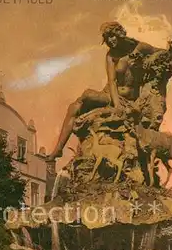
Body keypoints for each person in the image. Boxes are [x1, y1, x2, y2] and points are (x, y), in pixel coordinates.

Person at [48, 21, 163, 161]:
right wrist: (117, 105)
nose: (110, 41)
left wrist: (152, 60)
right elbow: (112, 82)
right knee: (76, 104)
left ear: (120, 34)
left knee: (85, 96)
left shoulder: (140, 47)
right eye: (107, 39)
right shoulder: (111, 55)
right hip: (112, 95)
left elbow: (161, 53)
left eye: (112, 37)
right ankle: (58, 150)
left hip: (129, 99)